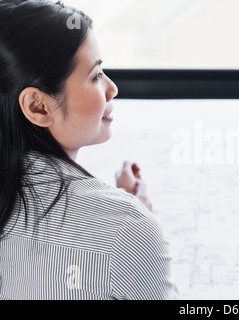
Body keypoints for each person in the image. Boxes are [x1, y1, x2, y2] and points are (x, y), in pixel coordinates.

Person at [0, 0, 176, 300]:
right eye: (95, 76)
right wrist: (131, 225)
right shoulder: (128, 228)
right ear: (38, 106)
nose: (112, 88)